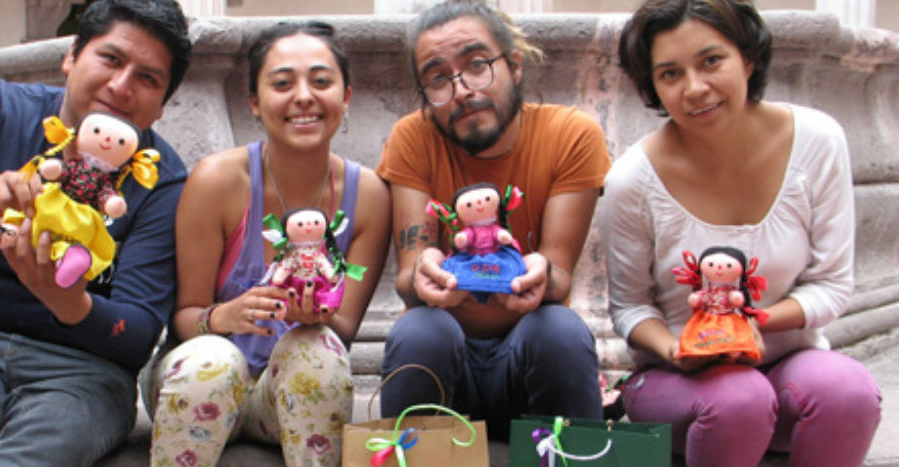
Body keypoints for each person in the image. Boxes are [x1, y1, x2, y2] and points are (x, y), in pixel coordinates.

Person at [0, 0, 191, 465]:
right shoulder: (1, 108)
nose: (121, 86)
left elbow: (139, 328)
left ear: (162, 107)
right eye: (111, 58)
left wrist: (73, 306)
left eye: (148, 78)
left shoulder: (160, 182)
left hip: (85, 371)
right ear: (72, 56)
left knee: (36, 453)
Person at [604, 0, 881, 465]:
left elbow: (832, 285)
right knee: (740, 400)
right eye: (670, 73)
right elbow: (630, 308)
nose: (695, 88)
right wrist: (676, 348)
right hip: (679, 379)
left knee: (847, 391)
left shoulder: (818, 141)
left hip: (790, 364)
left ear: (748, 58)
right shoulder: (632, 179)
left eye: (711, 61)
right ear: (652, 85)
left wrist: (751, 322)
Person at [140, 21, 390, 467]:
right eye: (282, 83)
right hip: (199, 382)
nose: (304, 97)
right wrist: (226, 315)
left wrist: (316, 317)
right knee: (215, 360)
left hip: (286, 394)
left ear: (346, 97)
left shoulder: (368, 194)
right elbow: (183, 317)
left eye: (321, 81)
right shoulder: (218, 180)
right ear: (254, 102)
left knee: (318, 350)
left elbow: (346, 327)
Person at [376, 1, 611, 439]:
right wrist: (424, 272)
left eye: (477, 65)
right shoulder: (413, 138)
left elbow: (559, 275)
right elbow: (408, 278)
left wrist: (542, 274)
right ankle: (409, 454)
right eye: (438, 79)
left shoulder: (571, 135)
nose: (461, 90)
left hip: (528, 361)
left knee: (560, 329)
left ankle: (576, 454)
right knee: (420, 330)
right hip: (448, 363)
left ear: (515, 66)